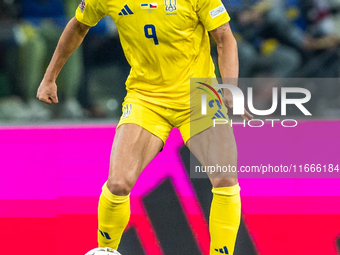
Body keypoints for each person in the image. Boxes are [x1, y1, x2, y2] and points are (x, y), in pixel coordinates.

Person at [36, 0, 253, 254]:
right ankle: (106, 251)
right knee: (118, 183)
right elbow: (78, 26)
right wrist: (49, 78)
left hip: (200, 95)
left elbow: (224, 37)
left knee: (225, 176)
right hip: (146, 97)